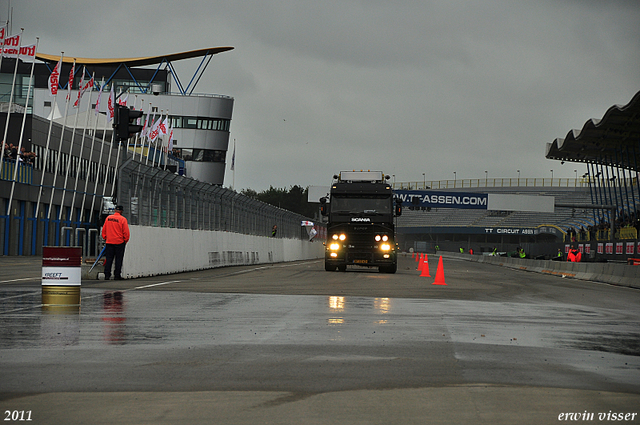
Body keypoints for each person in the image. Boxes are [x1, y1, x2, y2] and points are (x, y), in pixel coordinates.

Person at [102, 205, 130, 280]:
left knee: (109, 258)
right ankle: (117, 275)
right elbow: (126, 232)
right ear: (121, 211)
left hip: (109, 241)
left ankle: (107, 274)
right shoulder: (123, 219)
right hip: (119, 242)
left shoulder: (108, 218)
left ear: (115, 210)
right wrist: (125, 240)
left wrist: (105, 238)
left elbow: (104, 230)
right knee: (118, 259)